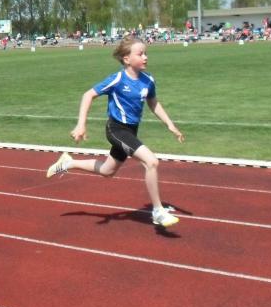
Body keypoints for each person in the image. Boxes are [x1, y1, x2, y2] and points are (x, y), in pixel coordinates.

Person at [45, 36, 185, 227]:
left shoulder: (148, 80)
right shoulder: (118, 79)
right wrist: (81, 125)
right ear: (127, 59)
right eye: (140, 54)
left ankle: (69, 162)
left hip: (131, 131)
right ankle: (158, 211)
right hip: (116, 129)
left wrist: (169, 124)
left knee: (107, 171)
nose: (145, 57)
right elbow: (88, 95)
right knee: (151, 162)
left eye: (146, 53)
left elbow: (153, 102)